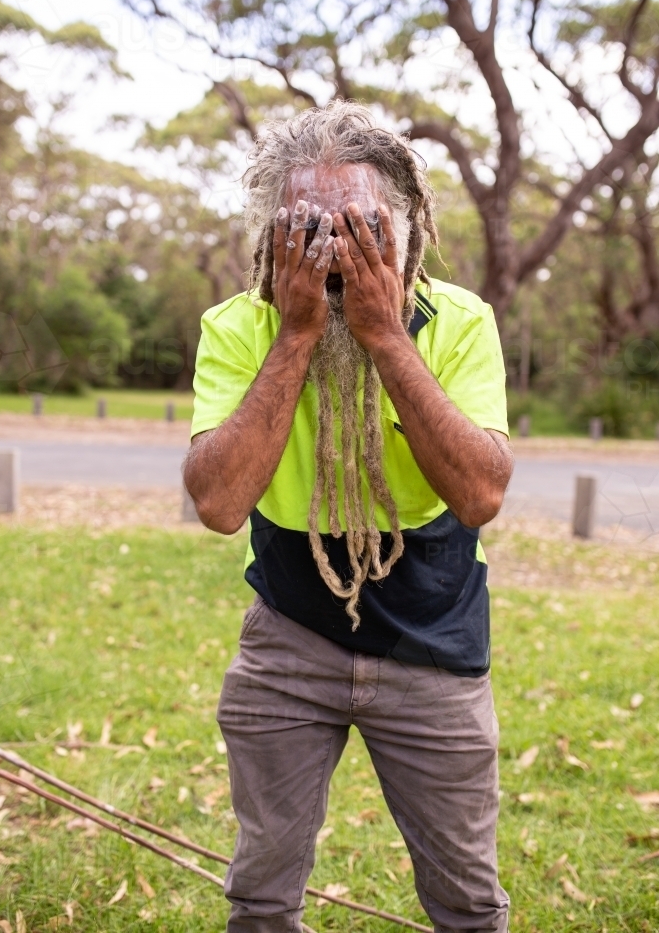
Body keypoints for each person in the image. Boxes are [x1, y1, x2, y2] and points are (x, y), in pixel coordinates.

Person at [184, 101, 514, 933]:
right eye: (307, 230)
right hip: (289, 638)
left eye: (361, 229)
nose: (335, 255)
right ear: (270, 235)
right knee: (260, 896)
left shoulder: (459, 321)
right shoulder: (239, 327)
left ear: (406, 229)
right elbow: (220, 503)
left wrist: (384, 336)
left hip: (433, 641)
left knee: (468, 901)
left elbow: (479, 495)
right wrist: (296, 335)